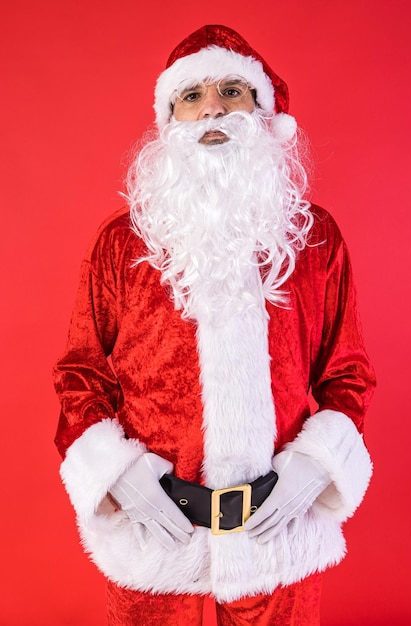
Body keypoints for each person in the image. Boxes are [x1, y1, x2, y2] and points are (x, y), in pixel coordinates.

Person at [53, 24, 376, 626]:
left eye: (232, 90)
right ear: (169, 120)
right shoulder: (121, 244)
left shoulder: (316, 238)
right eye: (192, 96)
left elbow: (348, 372)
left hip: (274, 530)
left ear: (263, 112)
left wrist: (318, 465)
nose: (212, 111)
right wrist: (119, 476)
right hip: (157, 532)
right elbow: (80, 375)